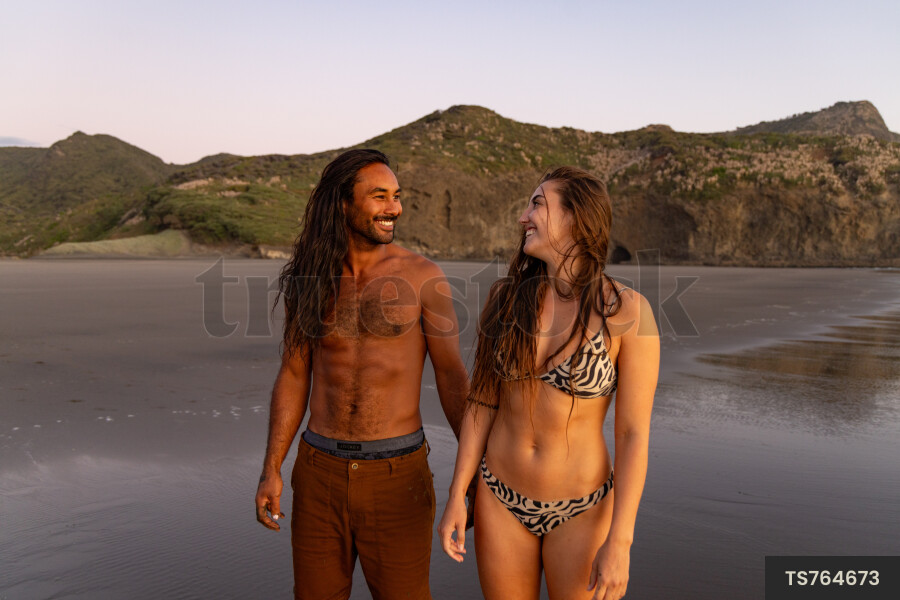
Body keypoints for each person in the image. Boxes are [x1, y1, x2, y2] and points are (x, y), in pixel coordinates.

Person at [255, 149, 469, 600]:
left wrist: (474, 478)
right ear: (342, 204)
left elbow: (452, 378)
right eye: (380, 196)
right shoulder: (310, 280)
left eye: (396, 196)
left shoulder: (423, 277)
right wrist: (271, 468)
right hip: (318, 475)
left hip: (397, 477)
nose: (395, 208)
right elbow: (294, 375)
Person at [438, 166, 659, 600]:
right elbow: (482, 402)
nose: (523, 216)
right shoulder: (505, 299)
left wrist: (621, 540)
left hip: (582, 508)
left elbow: (633, 435)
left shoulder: (629, 313)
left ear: (577, 218)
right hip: (499, 496)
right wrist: (456, 493)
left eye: (537, 203)